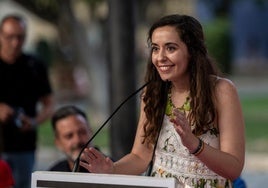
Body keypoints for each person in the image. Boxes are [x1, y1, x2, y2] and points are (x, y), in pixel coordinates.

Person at [79, 14, 245, 188]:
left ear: (193, 51)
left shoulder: (221, 90)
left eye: (170, 48)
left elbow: (233, 169)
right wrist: (112, 170)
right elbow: (140, 157)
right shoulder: (153, 92)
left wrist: (195, 145)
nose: (160, 57)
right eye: (155, 48)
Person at [0, 14, 54, 188]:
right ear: (1, 35)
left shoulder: (35, 65)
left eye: (20, 37)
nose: (15, 42)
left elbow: (49, 104)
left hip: (23, 146)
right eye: (10, 37)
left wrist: (33, 121)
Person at [48, 105, 94, 172]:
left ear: (91, 132)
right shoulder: (53, 174)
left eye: (82, 132)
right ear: (57, 143)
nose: (77, 140)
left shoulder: (111, 170)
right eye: (69, 136)